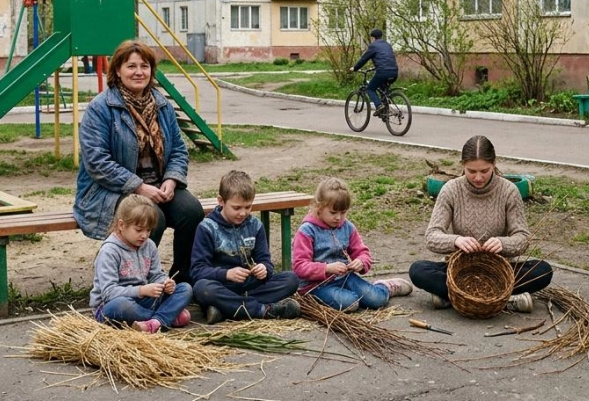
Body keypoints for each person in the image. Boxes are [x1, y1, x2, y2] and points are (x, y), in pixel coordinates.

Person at [73, 40, 204, 285]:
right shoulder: (100, 108)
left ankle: (181, 278)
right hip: (110, 191)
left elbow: (178, 149)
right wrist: (139, 187)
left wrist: (171, 180)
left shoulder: (161, 105)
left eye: (144, 66)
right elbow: (97, 161)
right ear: (117, 71)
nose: (138, 72)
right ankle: (134, 283)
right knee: (150, 217)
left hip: (159, 186)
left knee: (191, 211)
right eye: (131, 66)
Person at [408, 135, 552, 314]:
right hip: (459, 271)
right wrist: (456, 241)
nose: (478, 177)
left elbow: (522, 237)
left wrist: (503, 243)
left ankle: (454, 297)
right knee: (418, 270)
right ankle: (505, 301)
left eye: (484, 171)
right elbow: (431, 236)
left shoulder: (509, 191)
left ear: (494, 164)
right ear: (462, 165)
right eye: (471, 171)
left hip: (499, 272)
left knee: (543, 271)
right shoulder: (451, 190)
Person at [190, 170, 302, 324]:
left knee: (291, 279)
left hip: (250, 285)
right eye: (236, 208)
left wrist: (264, 268)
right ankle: (262, 310)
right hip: (223, 285)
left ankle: (227, 308)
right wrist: (227, 274)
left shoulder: (255, 225)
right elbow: (197, 270)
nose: (243, 213)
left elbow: (265, 261)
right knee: (202, 288)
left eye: (248, 207)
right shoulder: (207, 228)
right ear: (221, 201)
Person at [292, 177, 414, 311]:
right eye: (333, 213)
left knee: (376, 300)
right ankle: (342, 297)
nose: (338, 217)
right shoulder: (307, 230)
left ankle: (385, 287)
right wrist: (326, 268)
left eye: (343, 212)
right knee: (350, 303)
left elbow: (362, 252)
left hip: (344, 277)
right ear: (319, 208)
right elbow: (299, 266)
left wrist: (361, 262)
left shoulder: (347, 227)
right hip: (316, 285)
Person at [89, 194, 194, 333]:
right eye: (139, 230)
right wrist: (141, 290)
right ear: (121, 225)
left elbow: (156, 275)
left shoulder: (149, 245)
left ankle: (153, 323)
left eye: (149, 230)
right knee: (121, 306)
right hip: (112, 305)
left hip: (144, 299)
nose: (144, 235)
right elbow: (109, 293)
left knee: (185, 289)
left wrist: (165, 283)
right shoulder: (109, 251)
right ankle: (164, 318)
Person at [351, 28, 398, 115]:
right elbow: (386, 58)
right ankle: (386, 107)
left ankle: (379, 106)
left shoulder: (373, 46)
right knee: (383, 90)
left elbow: (364, 58)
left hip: (382, 72)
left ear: (372, 38)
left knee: (370, 88)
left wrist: (355, 68)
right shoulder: (387, 45)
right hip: (394, 72)